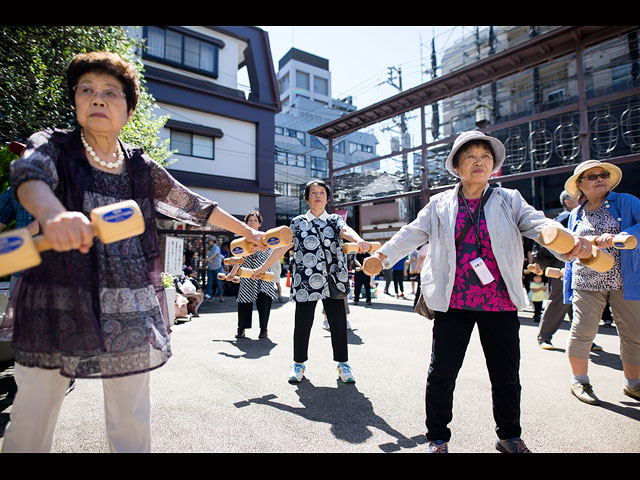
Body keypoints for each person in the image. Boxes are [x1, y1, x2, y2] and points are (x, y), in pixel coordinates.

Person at [1, 51, 265, 453]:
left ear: (128, 107)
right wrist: (53, 214)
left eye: (111, 92)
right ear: (75, 101)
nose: (98, 99)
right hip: (55, 300)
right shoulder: (53, 146)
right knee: (32, 417)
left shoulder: (141, 167)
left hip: (128, 304)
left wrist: (248, 231)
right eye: (86, 90)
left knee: (131, 420)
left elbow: (193, 204)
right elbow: (29, 175)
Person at [367, 130, 593, 453]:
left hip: (499, 302)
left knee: (506, 375)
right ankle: (438, 438)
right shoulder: (440, 204)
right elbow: (411, 233)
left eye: (485, 157)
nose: (479, 162)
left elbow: (539, 225)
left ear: (493, 167)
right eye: (470, 156)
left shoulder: (509, 200)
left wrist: (566, 240)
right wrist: (382, 256)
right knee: (442, 373)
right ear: (457, 167)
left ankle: (509, 435)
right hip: (453, 301)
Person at [253, 179, 369, 385]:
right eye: (313, 192)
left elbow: (346, 230)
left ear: (327, 198)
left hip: (334, 279)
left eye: (322, 192)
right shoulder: (297, 222)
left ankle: (343, 364)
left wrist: (358, 240)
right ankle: (298, 364)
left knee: (338, 324)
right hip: (306, 281)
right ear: (307, 198)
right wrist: (263, 268)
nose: (318, 195)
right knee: (302, 324)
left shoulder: (334, 220)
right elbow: (282, 246)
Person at [562, 160, 640, 405]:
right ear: (579, 185)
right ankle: (579, 380)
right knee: (583, 330)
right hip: (586, 280)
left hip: (624, 279)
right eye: (592, 176)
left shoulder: (627, 201)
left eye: (603, 175)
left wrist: (625, 236)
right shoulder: (576, 213)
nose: (599, 179)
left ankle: (633, 384)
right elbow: (568, 246)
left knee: (632, 333)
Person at [534, 190, 579, 350]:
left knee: (579, 302)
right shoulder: (565, 218)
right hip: (564, 263)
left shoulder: (579, 214)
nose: (581, 199)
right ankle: (544, 336)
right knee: (559, 300)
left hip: (578, 263)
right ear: (567, 202)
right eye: (576, 198)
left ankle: (583, 338)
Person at [226, 211, 277, 340]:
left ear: (259, 224)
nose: (252, 223)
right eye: (250, 220)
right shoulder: (241, 240)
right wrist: (232, 274)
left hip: (264, 274)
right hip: (246, 274)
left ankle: (264, 329)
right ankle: (241, 328)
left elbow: (273, 254)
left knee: (264, 301)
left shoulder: (266, 238)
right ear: (246, 223)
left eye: (255, 220)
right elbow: (239, 259)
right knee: (243, 301)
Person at [205, 236, 225, 302]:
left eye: (209, 242)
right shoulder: (210, 249)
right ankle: (209, 296)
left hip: (217, 268)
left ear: (212, 241)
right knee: (209, 283)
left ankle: (221, 297)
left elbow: (215, 254)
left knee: (219, 282)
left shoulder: (217, 248)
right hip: (210, 268)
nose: (208, 243)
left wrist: (209, 259)